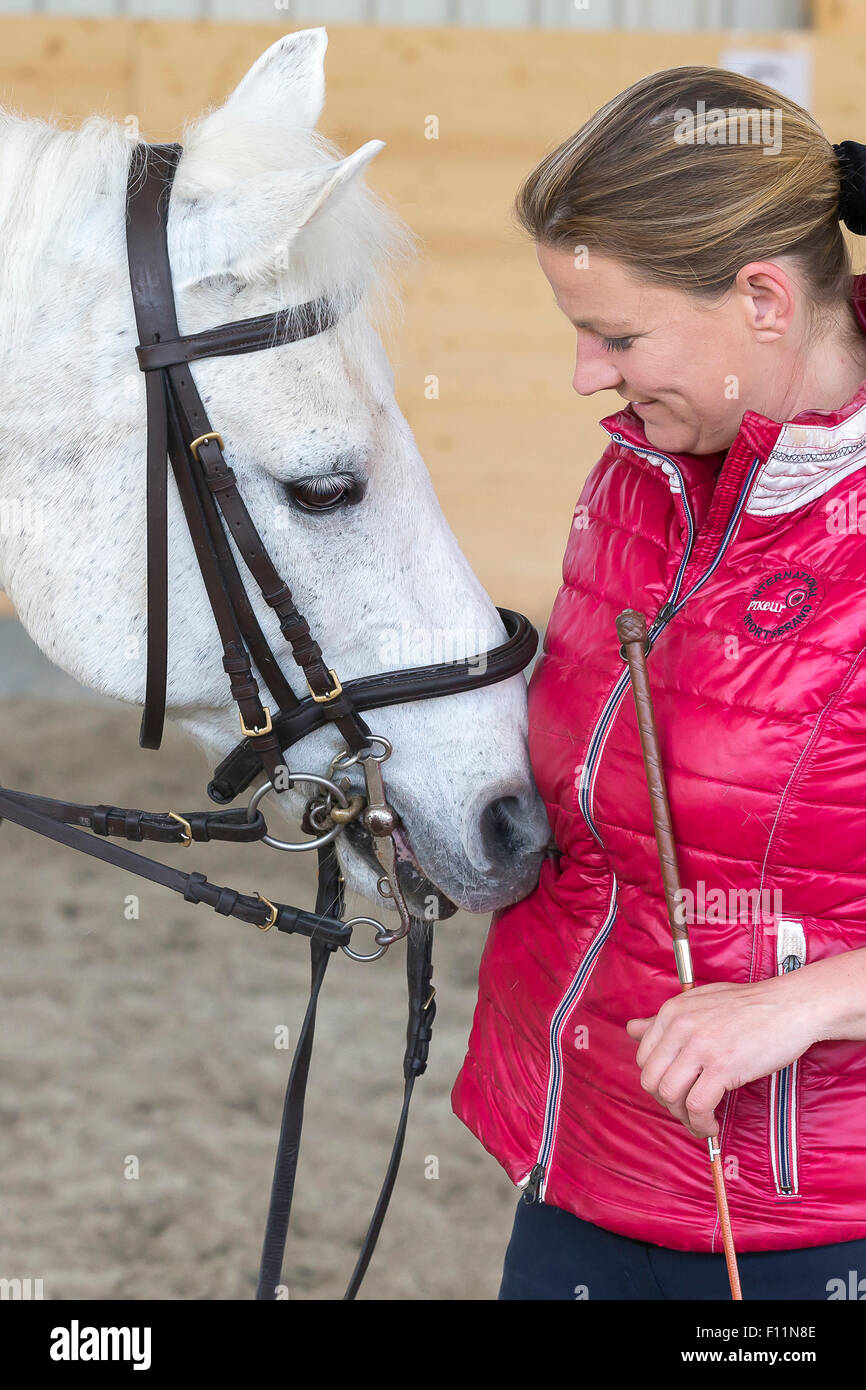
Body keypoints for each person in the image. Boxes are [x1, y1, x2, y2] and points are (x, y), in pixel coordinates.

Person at [450, 65, 866, 1301]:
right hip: (579, 1170)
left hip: (812, 1229)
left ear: (758, 298)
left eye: (617, 335)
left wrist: (806, 1002)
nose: (587, 374)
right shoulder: (643, 473)